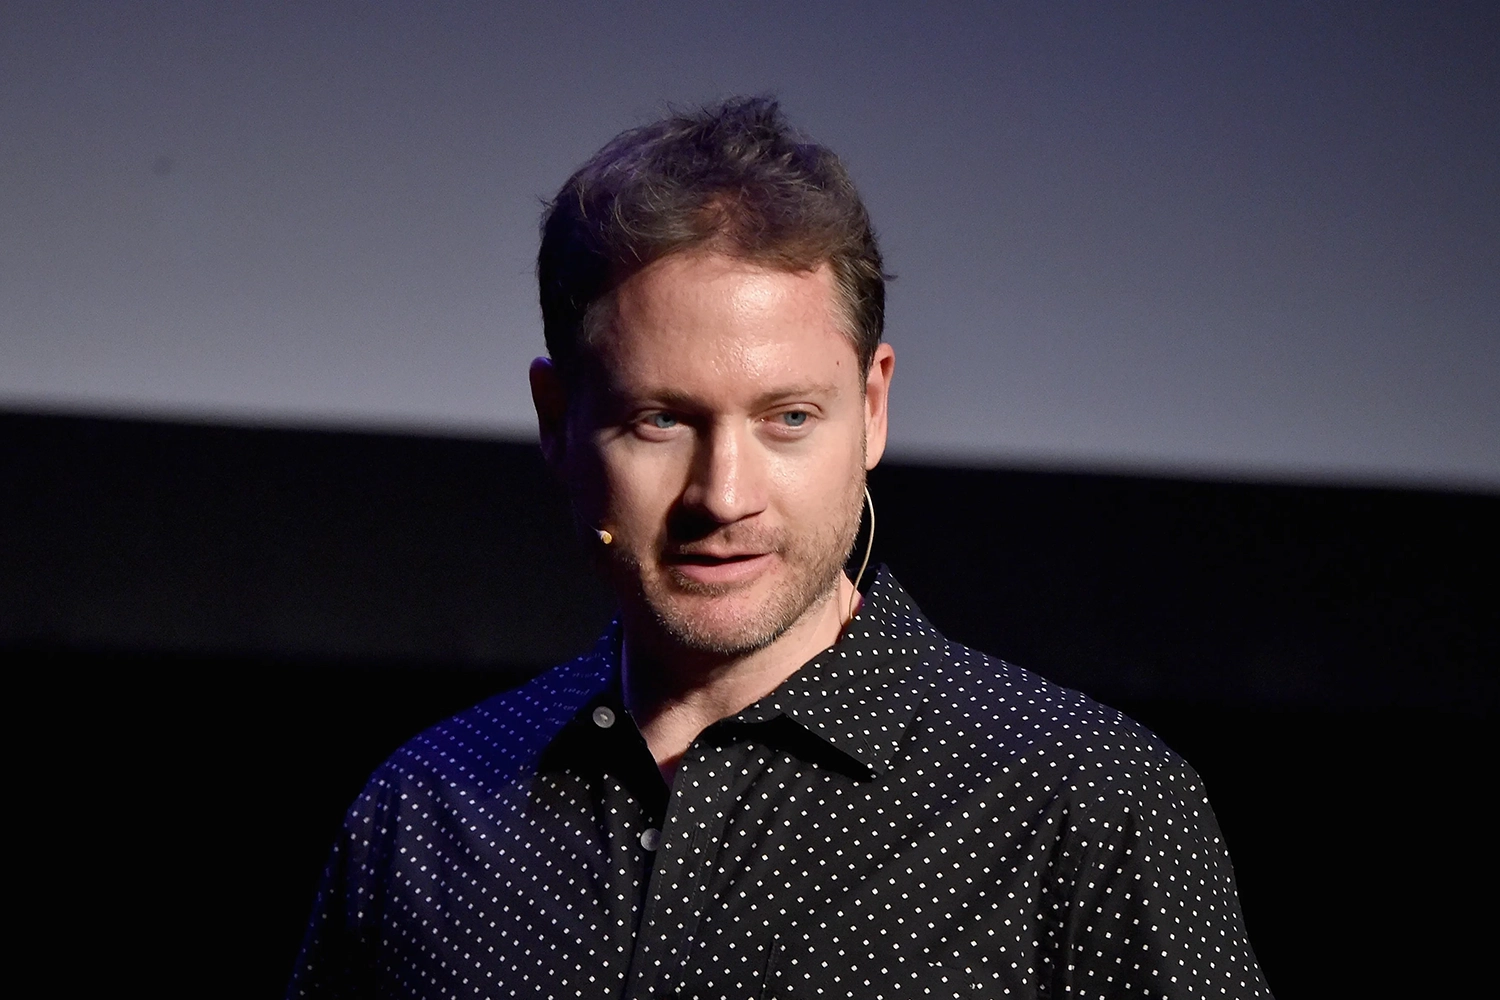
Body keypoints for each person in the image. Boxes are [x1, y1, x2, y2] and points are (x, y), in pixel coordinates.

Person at [289, 97, 1271, 999]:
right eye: (660, 420)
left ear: (873, 407)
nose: (725, 496)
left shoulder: (1086, 804)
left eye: (788, 417)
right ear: (557, 418)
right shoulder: (424, 812)